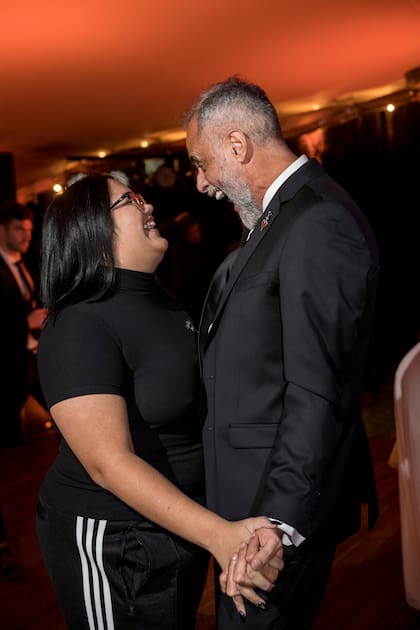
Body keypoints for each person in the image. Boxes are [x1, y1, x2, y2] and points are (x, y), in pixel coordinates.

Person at [35, 173, 282, 630]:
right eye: (129, 200)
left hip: (176, 526)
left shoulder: (160, 301)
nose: (147, 205)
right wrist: (219, 535)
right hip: (114, 539)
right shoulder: (78, 324)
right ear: (92, 228)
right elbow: (107, 464)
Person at [185, 77, 380, 629]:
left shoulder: (317, 220)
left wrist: (278, 521)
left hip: (273, 510)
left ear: (238, 145)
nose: (201, 184)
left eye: (202, 164)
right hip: (246, 503)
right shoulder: (276, 219)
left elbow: (318, 388)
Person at [0, 201, 47, 447]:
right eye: (19, 229)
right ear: (2, 230)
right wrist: (24, 322)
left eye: (29, 230)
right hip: (8, 363)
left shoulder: (25, 263)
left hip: (31, 359)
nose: (26, 235)